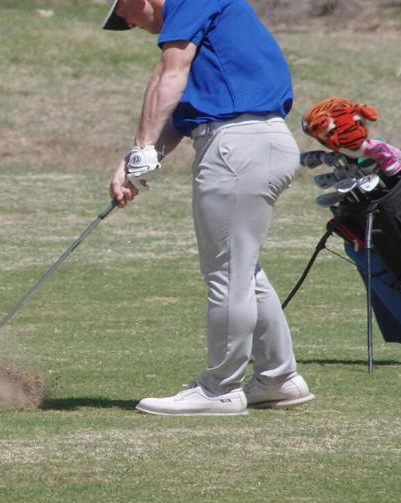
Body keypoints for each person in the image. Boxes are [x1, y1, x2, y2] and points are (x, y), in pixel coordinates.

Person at [102, 0, 314, 415]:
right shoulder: (207, 35)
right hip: (259, 141)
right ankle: (279, 379)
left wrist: (143, 148)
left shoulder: (191, 2)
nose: (129, 24)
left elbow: (168, 75)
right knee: (242, 268)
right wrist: (133, 165)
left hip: (238, 145)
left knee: (227, 272)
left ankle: (219, 388)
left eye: (125, 14)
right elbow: (180, 115)